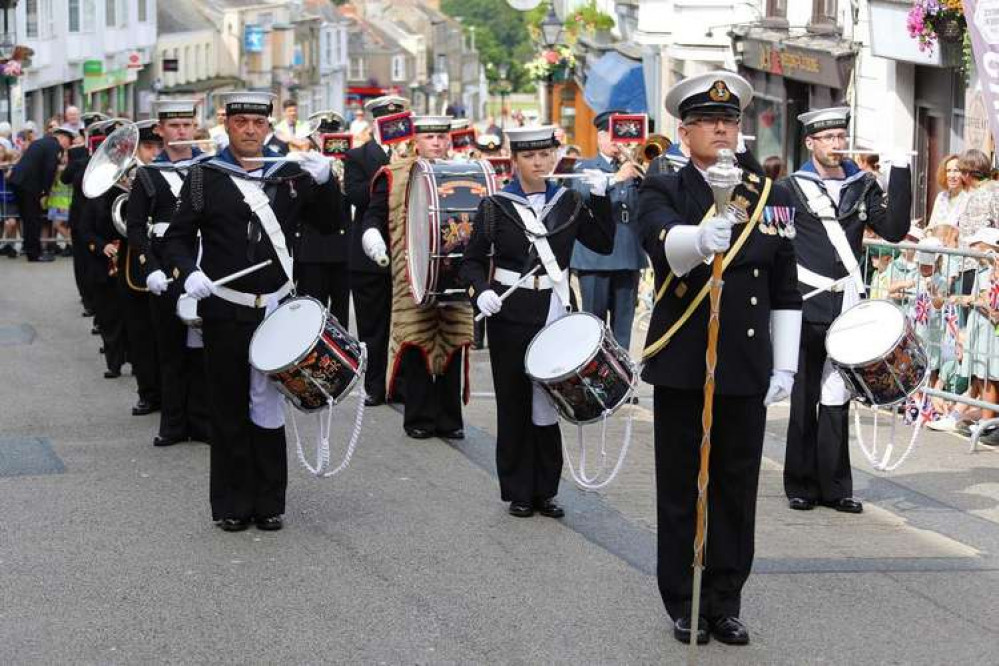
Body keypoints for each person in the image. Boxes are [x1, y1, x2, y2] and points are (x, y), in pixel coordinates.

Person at [637, 71, 802, 646]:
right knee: (685, 485)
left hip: (746, 362)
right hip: (686, 360)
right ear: (685, 133)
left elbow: (785, 285)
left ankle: (726, 598)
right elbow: (661, 245)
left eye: (729, 121)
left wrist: (785, 364)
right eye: (709, 121)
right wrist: (699, 237)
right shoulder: (663, 188)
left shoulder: (772, 194)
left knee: (735, 485)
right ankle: (686, 600)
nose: (721, 129)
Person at [162, 91, 341, 532]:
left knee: (268, 406)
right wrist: (188, 274)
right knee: (227, 405)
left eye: (257, 124)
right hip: (225, 308)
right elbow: (177, 238)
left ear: (269, 127)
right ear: (227, 124)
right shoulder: (206, 176)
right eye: (241, 122)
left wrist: (327, 183)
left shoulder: (289, 175)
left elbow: (329, 224)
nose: (249, 130)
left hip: (276, 308)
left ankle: (269, 502)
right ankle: (231, 504)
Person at [460, 125, 614, 518]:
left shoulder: (569, 200)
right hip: (509, 313)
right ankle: (518, 491)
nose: (540, 162)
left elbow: (603, 243)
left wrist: (601, 197)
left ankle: (546, 489)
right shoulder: (496, 205)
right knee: (513, 401)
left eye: (546, 154)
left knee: (548, 401)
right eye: (530, 156)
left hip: (555, 308)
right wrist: (482, 291)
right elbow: (472, 260)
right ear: (515, 161)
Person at [781, 107, 912, 515]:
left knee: (837, 396)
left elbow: (893, 229)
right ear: (811, 143)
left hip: (847, 305)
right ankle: (800, 485)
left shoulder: (863, 185)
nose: (837, 144)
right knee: (803, 399)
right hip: (804, 302)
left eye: (841, 136)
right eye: (829, 138)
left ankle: (836, 487)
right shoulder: (791, 188)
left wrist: (901, 167)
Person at [360, 116, 472, 439]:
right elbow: (374, 216)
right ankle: (419, 417)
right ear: (415, 141)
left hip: (453, 272)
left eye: (441, 137)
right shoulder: (394, 176)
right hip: (412, 272)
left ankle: (450, 419)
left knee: (451, 343)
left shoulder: (461, 174)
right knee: (417, 342)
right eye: (430, 137)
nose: (437, 143)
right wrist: (373, 238)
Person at [126, 101, 212, 446]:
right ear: (160, 130)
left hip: (202, 269)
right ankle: (173, 424)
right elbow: (135, 228)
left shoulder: (209, 170)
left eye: (186, 125)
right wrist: (151, 267)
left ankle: (203, 422)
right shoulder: (148, 174)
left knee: (203, 352)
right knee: (170, 351)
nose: (181, 131)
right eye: (173, 125)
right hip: (164, 271)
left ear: (195, 128)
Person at [343, 95, 409, 406]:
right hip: (369, 254)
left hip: (404, 252)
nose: (394, 129)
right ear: (375, 125)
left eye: (398, 123)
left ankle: (402, 383)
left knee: (404, 322)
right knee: (373, 325)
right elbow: (356, 195)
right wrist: (390, 171)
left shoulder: (413, 156)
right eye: (388, 124)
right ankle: (374, 385)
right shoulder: (357, 156)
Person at [570, 110, 646, 354]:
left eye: (623, 137)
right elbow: (579, 194)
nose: (618, 143)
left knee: (623, 329)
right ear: (601, 137)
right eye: (613, 136)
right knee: (594, 325)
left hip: (628, 255)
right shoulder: (586, 165)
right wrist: (616, 178)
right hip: (595, 257)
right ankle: (594, 382)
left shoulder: (637, 167)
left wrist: (644, 171)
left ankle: (623, 382)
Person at [114, 120, 166, 416]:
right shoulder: (127, 181)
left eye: (157, 147)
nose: (154, 153)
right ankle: (148, 393)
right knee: (141, 334)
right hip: (135, 265)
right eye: (148, 147)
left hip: (169, 261)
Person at [293, 112, 352, 327]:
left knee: (340, 318)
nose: (326, 139)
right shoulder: (304, 164)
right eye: (322, 135)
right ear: (313, 138)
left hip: (342, 248)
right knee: (310, 315)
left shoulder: (348, 163)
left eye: (332, 134)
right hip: (312, 248)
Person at [7, 124, 74, 261]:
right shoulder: (54, 146)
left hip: (19, 182)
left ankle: (29, 248)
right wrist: (45, 192)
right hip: (28, 185)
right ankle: (34, 254)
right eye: (69, 141)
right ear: (62, 138)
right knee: (33, 219)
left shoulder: (41, 142)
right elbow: (50, 170)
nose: (69, 145)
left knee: (28, 218)